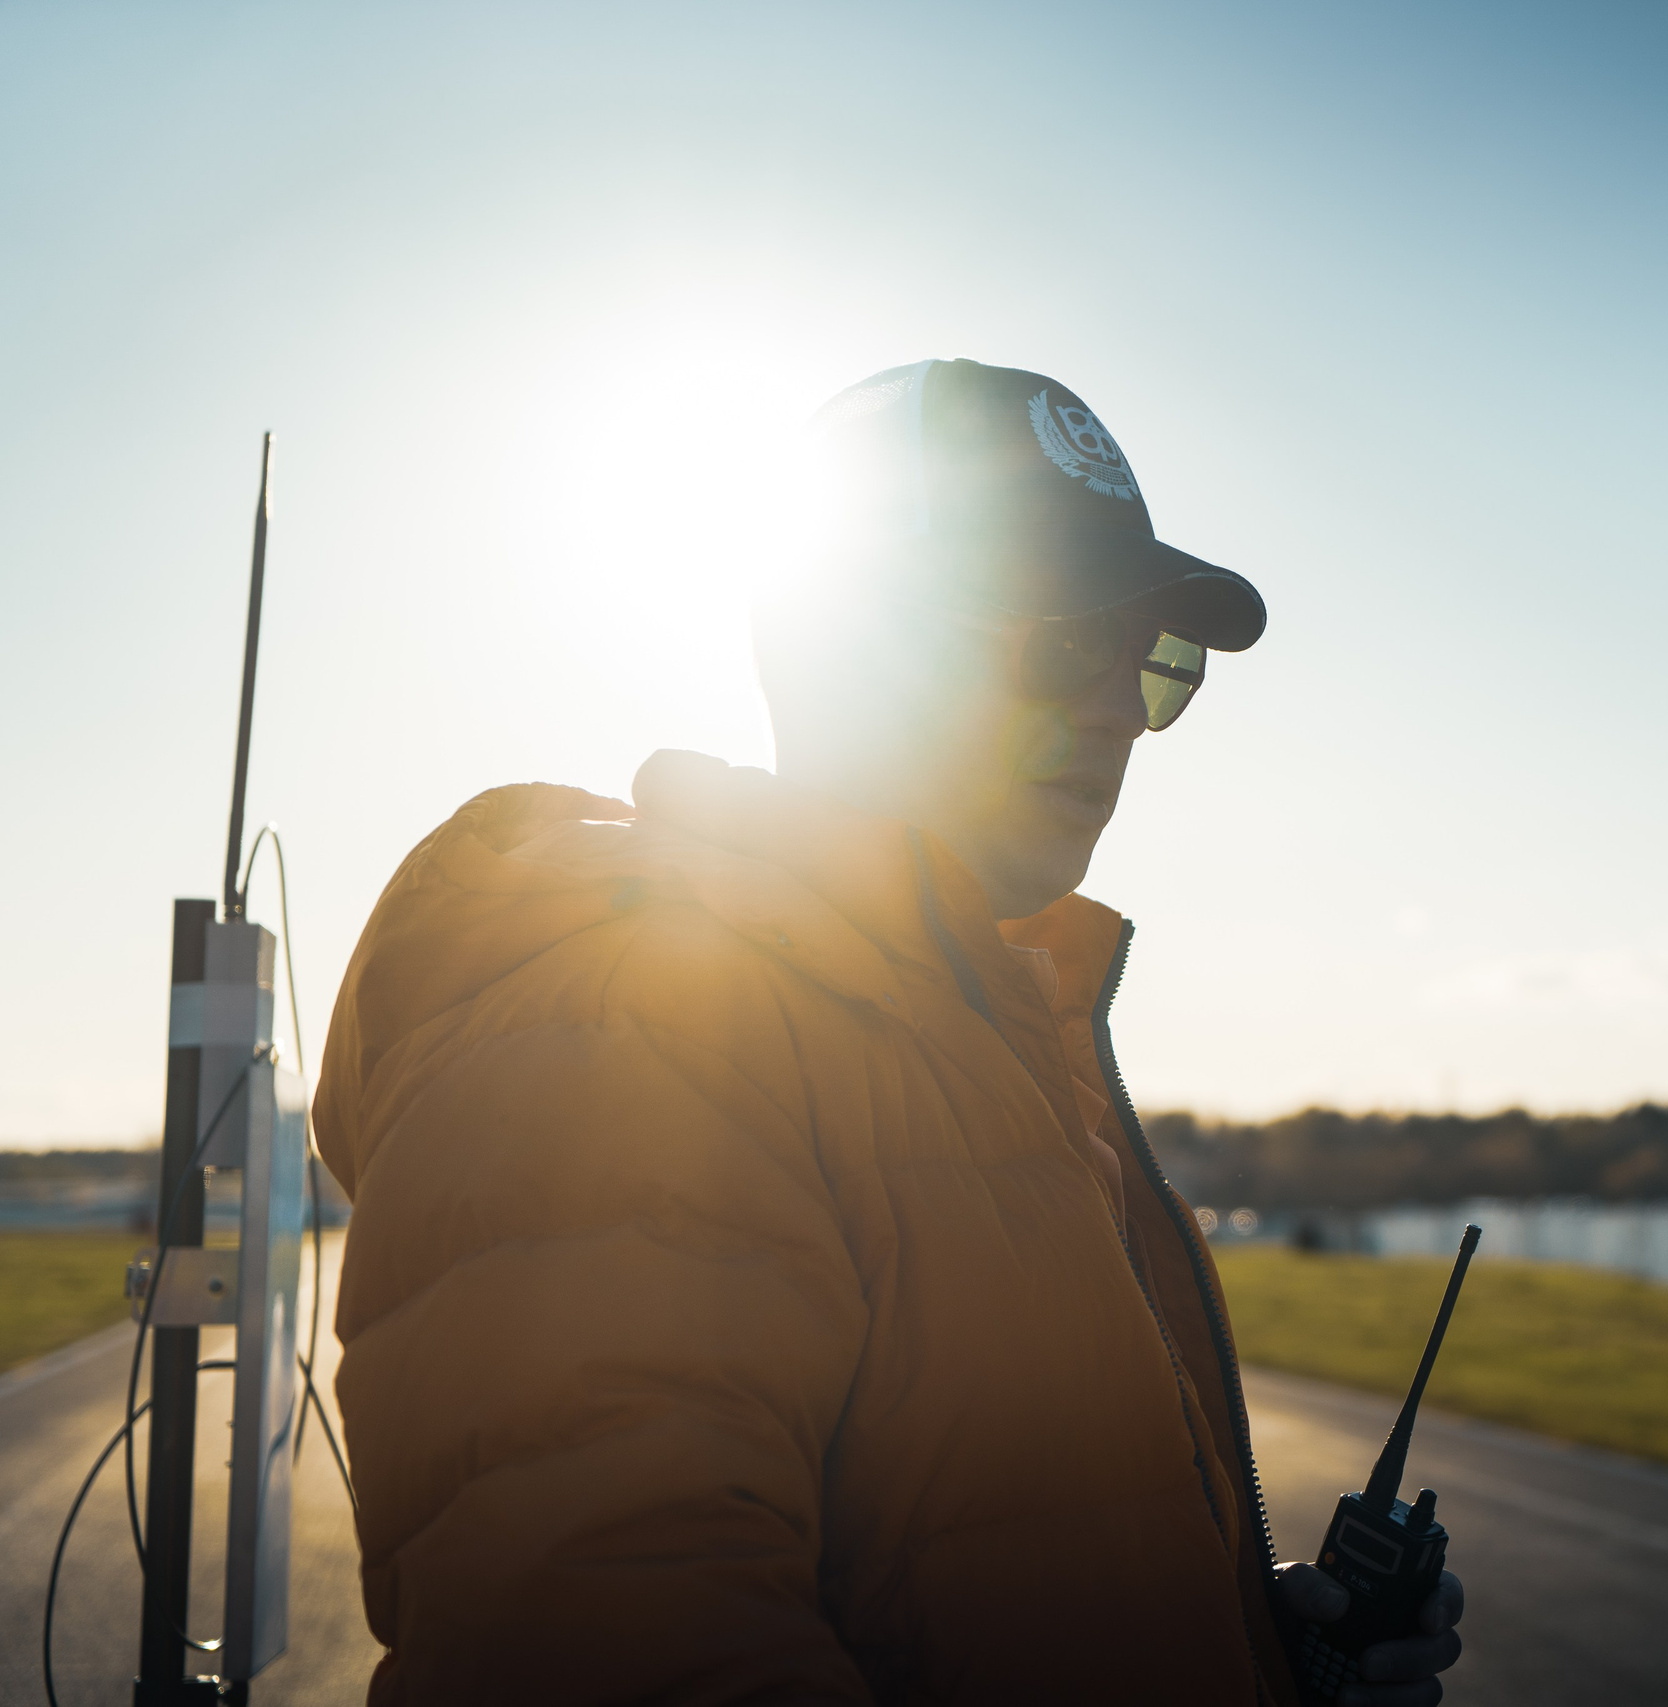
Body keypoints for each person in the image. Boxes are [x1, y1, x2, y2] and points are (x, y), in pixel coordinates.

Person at [315, 358, 1465, 1705]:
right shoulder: (632, 1013)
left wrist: (1242, 1649)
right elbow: (623, 1645)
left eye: (1157, 663)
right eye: (1059, 642)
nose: (1118, 712)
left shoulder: (991, 1043)